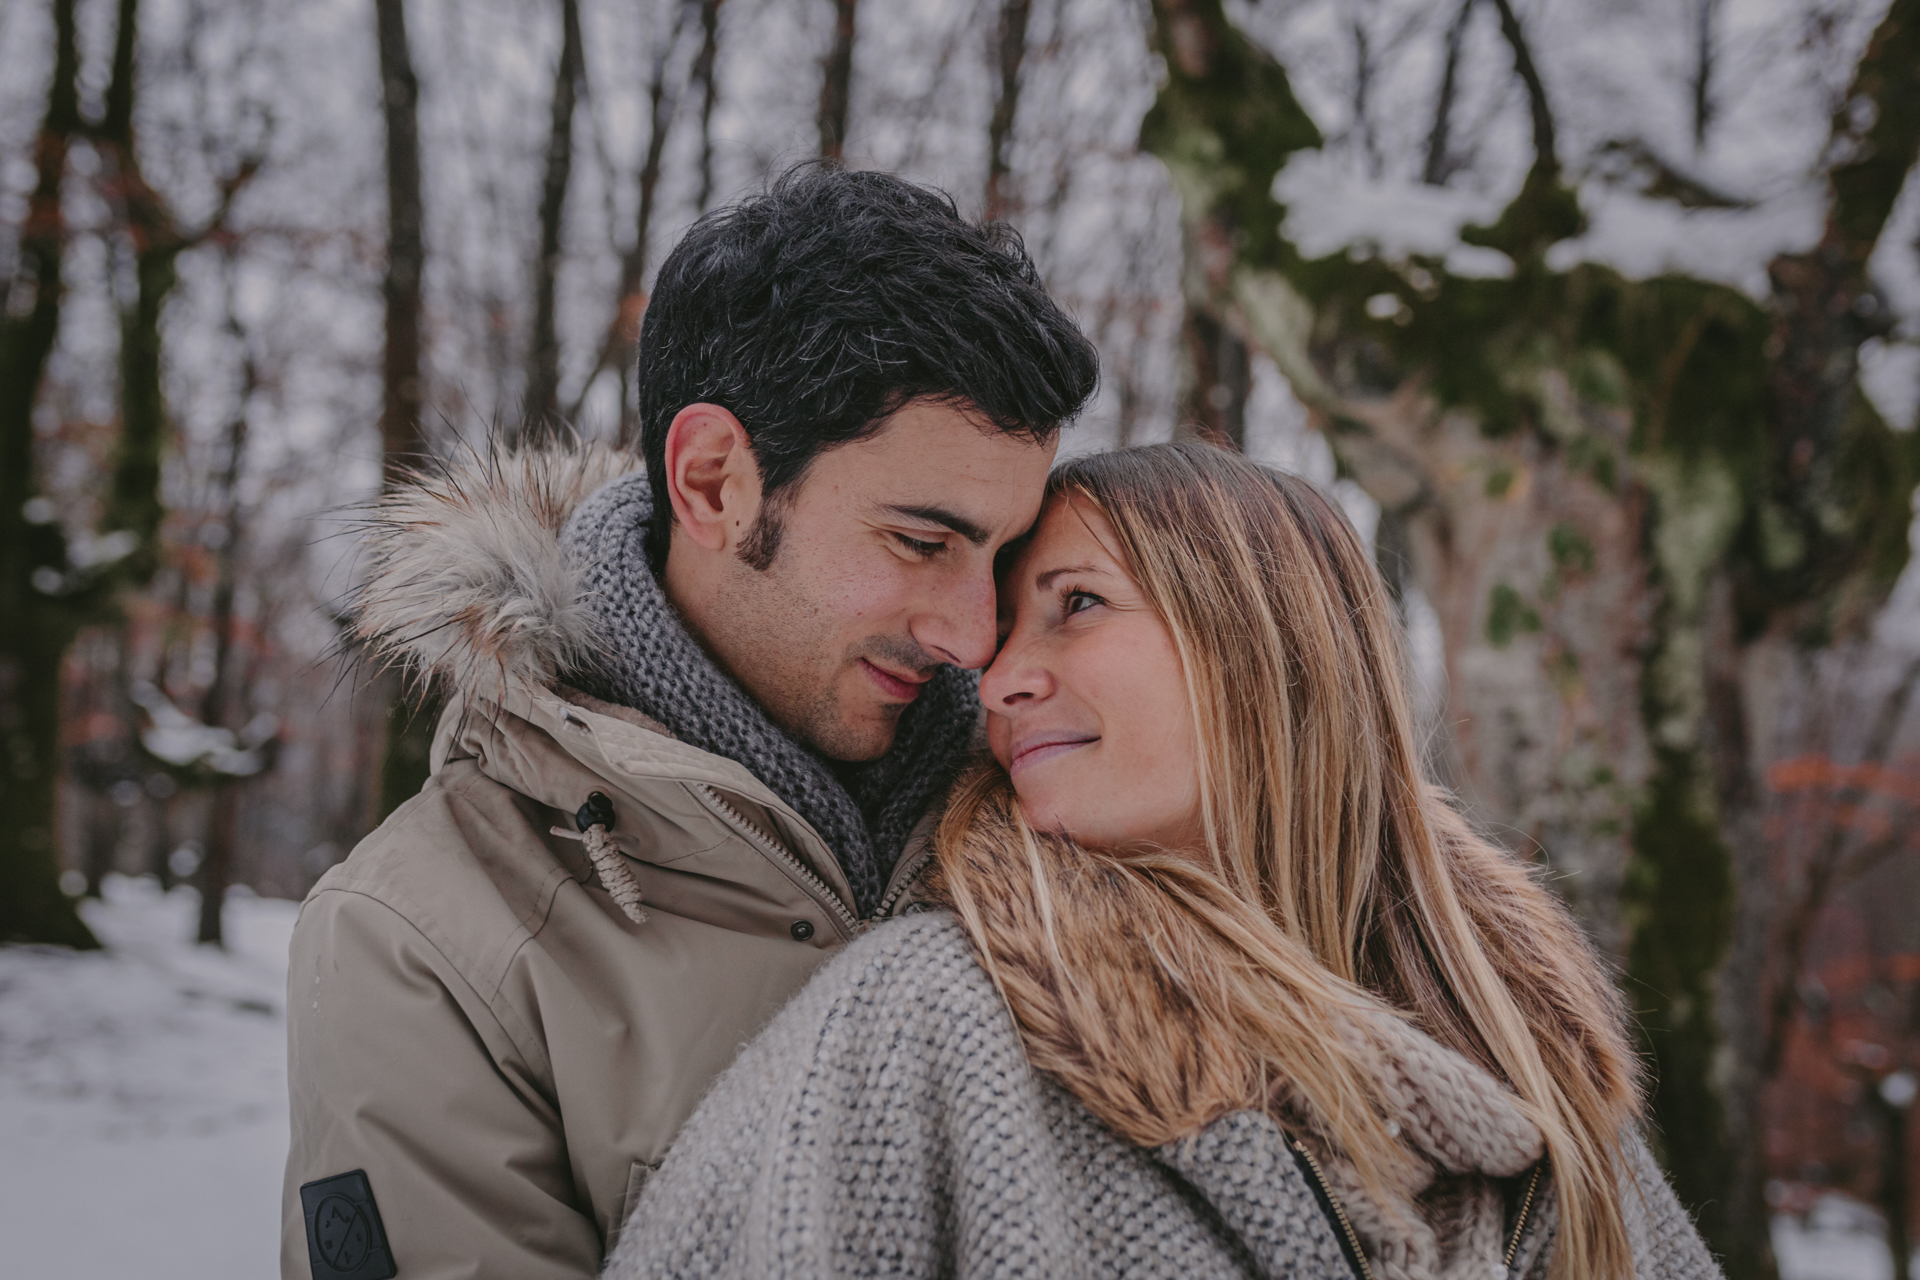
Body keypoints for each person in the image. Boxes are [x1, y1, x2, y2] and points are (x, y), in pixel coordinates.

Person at [606, 442, 1722, 1280]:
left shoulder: (1532, 1053)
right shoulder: (926, 1021)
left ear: (1268, 640)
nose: (995, 682)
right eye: (1004, 634)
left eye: (1076, 604)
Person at [280, 167, 1099, 1280]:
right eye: (921, 541)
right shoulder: (423, 939)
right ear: (714, 481)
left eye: (1005, 555)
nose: (971, 632)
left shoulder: (1060, 806)